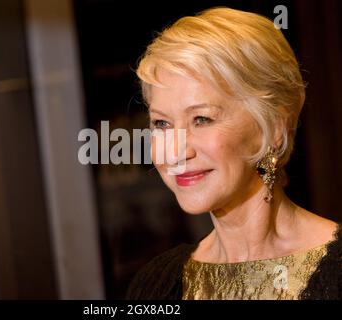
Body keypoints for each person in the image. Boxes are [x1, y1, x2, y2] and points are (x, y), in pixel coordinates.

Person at [126, 7, 341, 300]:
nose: (175, 152)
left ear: (274, 126)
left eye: (201, 119)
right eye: (162, 123)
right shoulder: (156, 284)